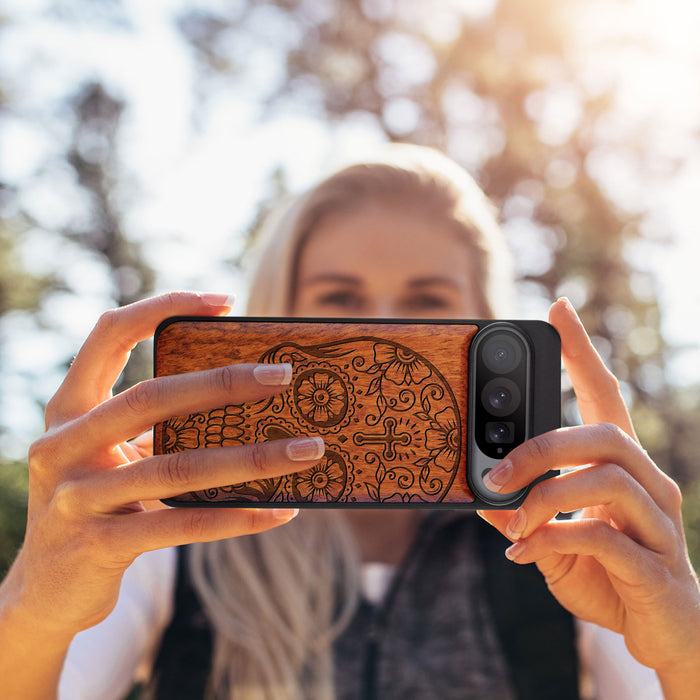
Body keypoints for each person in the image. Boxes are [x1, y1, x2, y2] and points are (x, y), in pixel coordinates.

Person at [0, 145, 698, 700]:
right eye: (340, 299)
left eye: (427, 302)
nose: (383, 331)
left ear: (485, 323)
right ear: (278, 313)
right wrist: (34, 607)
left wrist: (685, 648)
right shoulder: (170, 536)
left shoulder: (568, 545)